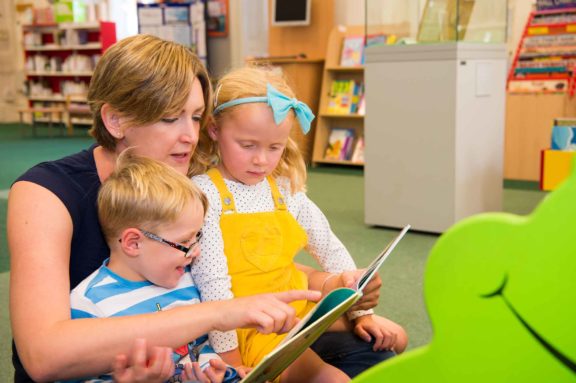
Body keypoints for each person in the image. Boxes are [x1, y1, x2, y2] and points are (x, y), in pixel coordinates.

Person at [7, 34, 321, 383]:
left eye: (197, 117)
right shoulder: (47, 192)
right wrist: (216, 314)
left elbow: (253, 261)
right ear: (115, 121)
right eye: (171, 118)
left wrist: (331, 283)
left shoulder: (188, 179)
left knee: (360, 351)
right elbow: (43, 354)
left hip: (192, 368)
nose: (191, 136)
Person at [189, 65, 408, 379]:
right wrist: (233, 363)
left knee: (396, 336)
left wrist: (362, 313)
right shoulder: (204, 193)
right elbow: (214, 288)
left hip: (300, 310)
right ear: (213, 129)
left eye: (274, 147)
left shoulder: (283, 190)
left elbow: (329, 248)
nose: (261, 160)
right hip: (253, 326)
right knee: (331, 378)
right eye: (247, 145)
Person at [66, 152, 244, 382]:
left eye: (197, 237)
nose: (196, 251)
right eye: (184, 242)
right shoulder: (89, 306)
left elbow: (202, 351)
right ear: (133, 243)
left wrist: (224, 374)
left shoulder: (188, 279)